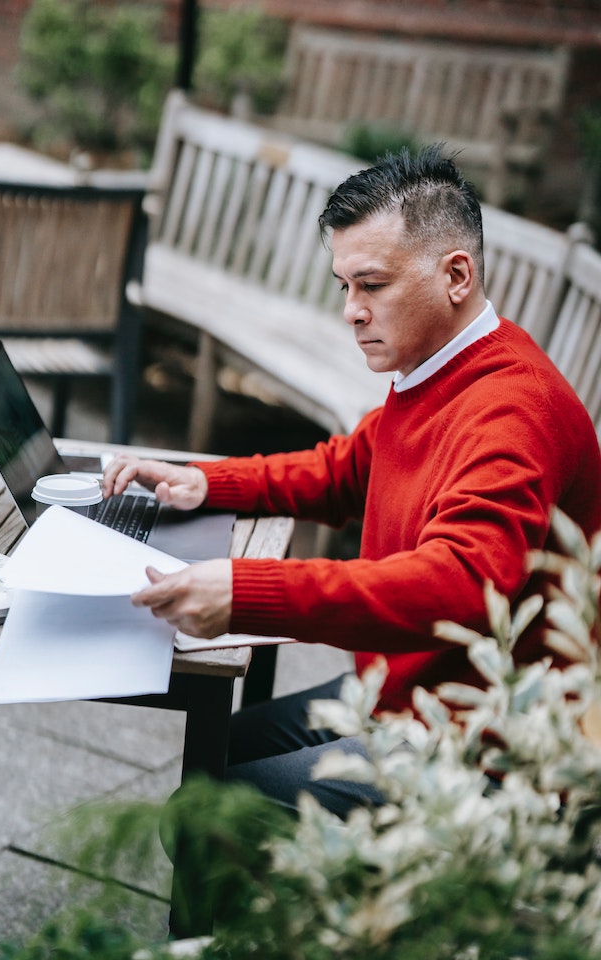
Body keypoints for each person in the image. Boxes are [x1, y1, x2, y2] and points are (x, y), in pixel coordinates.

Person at [102, 144, 601, 818]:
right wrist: (204, 482)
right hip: (406, 693)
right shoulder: (435, 368)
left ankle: (268, 922)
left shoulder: (512, 411)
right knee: (213, 752)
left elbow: (456, 584)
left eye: (373, 285)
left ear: (457, 275)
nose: (352, 311)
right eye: (345, 287)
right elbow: (347, 470)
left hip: (483, 745)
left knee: (213, 810)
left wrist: (244, 591)